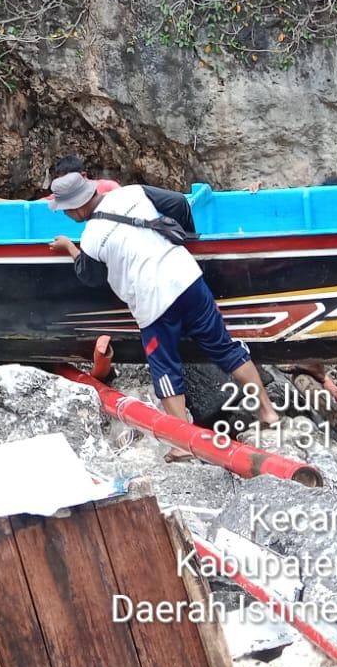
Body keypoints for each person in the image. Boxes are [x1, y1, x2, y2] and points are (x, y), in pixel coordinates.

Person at [47, 172, 278, 457]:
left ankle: (183, 443)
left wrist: (70, 248)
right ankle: (268, 412)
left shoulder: (91, 238)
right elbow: (179, 203)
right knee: (224, 348)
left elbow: (90, 277)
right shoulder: (132, 192)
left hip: (154, 302)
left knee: (166, 369)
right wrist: (186, 237)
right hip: (187, 278)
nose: (66, 215)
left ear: (77, 207)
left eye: (65, 210)